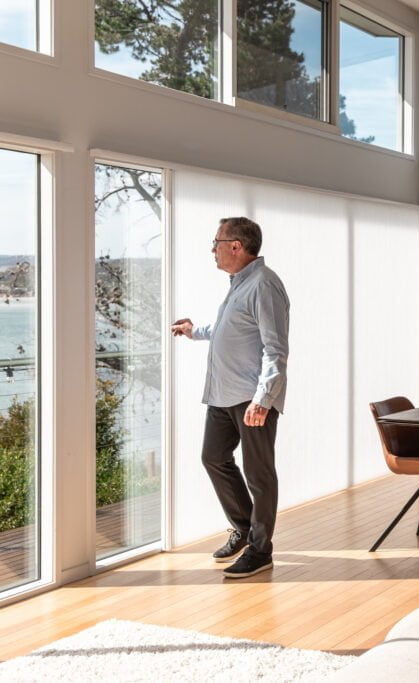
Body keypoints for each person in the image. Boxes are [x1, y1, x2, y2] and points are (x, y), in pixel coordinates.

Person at [171, 216, 289, 579]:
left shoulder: (264, 284)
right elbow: (231, 329)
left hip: (251, 398)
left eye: (216, 242)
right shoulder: (240, 283)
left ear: (236, 246)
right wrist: (195, 331)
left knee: (259, 474)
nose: (213, 249)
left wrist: (263, 399)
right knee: (213, 458)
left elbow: (275, 348)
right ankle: (244, 527)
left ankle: (261, 550)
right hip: (222, 395)